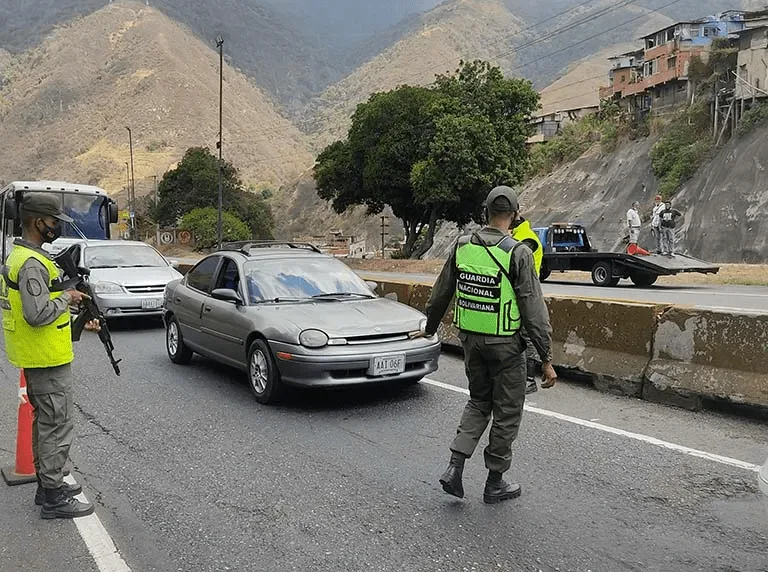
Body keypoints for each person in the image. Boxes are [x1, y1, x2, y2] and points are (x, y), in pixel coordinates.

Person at [424, 186, 557, 504]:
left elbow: (440, 294)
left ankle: (455, 467)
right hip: (507, 348)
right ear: (514, 216)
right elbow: (533, 311)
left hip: (471, 342)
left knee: (478, 402)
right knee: (507, 411)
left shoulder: (462, 245)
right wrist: (546, 358)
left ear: (485, 212)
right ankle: (495, 481)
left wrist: (429, 329)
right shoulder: (518, 252)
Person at [0, 193, 100, 519]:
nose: (56, 227)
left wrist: (71, 311)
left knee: (46, 422)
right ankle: (54, 497)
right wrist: (67, 296)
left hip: (39, 353)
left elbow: (43, 304)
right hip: (45, 357)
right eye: (54, 221)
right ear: (38, 222)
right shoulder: (30, 263)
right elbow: (36, 312)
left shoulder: (26, 258)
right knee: (57, 424)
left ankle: (48, 485)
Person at [510, 215, 543, 395]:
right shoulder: (519, 235)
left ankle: (529, 380)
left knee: (527, 337)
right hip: (518, 292)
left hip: (527, 293)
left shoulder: (527, 238)